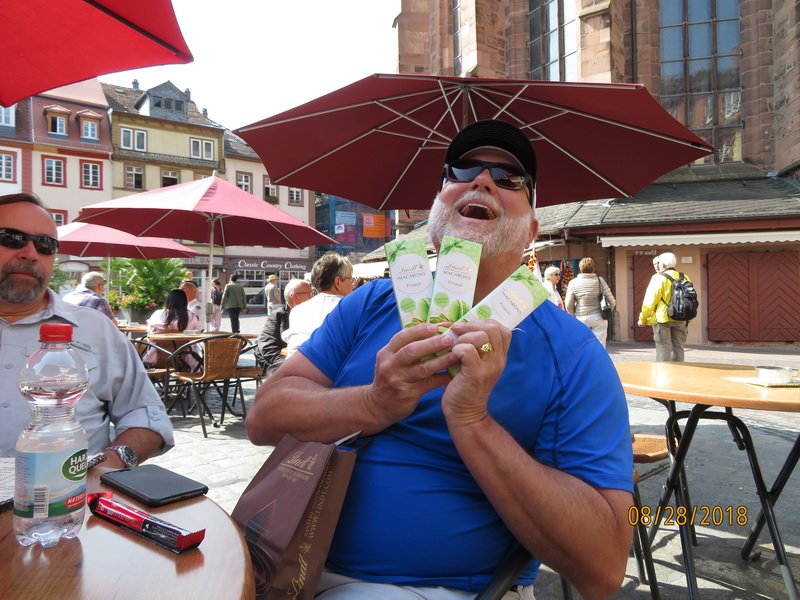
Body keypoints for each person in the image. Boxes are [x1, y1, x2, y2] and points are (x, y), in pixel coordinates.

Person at [246, 120, 633, 599]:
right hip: (287, 558)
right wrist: (374, 402)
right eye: (461, 170)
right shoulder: (371, 303)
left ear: (531, 230)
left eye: (510, 178)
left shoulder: (572, 352)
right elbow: (263, 419)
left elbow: (603, 567)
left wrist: (472, 420)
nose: (482, 180)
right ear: (434, 211)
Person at [0, 192, 174, 468]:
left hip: (70, 491)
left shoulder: (96, 329)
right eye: (11, 238)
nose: (30, 254)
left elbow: (146, 414)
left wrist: (109, 465)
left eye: (45, 245)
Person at [282, 252, 354, 357]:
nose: (353, 285)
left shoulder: (297, 310)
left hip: (292, 364)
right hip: (329, 367)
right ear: (338, 281)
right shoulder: (352, 308)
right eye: (350, 279)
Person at [637, 251, 690, 362]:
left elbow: (649, 301)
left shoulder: (658, 278)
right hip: (681, 317)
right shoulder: (685, 277)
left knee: (664, 347)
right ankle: (679, 370)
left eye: (659, 262)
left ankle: (663, 371)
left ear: (663, 264)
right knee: (678, 347)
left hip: (663, 318)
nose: (658, 265)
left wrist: (643, 318)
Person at [254, 278, 313, 376]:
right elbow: (267, 346)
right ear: (295, 297)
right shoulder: (278, 315)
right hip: (285, 367)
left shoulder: (313, 314)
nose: (313, 297)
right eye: (309, 294)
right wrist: (288, 364)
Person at [564, 257, 616, 348]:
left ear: (580, 268)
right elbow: (612, 301)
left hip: (581, 318)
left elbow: (568, 304)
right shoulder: (600, 281)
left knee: (582, 346)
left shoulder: (573, 283)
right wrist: (607, 312)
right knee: (600, 347)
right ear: (593, 268)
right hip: (598, 318)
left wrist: (573, 317)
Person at [144, 288, 201, 370]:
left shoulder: (157, 315)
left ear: (168, 301)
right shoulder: (191, 316)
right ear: (185, 301)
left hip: (155, 358)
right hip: (185, 360)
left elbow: (149, 335)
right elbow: (197, 334)